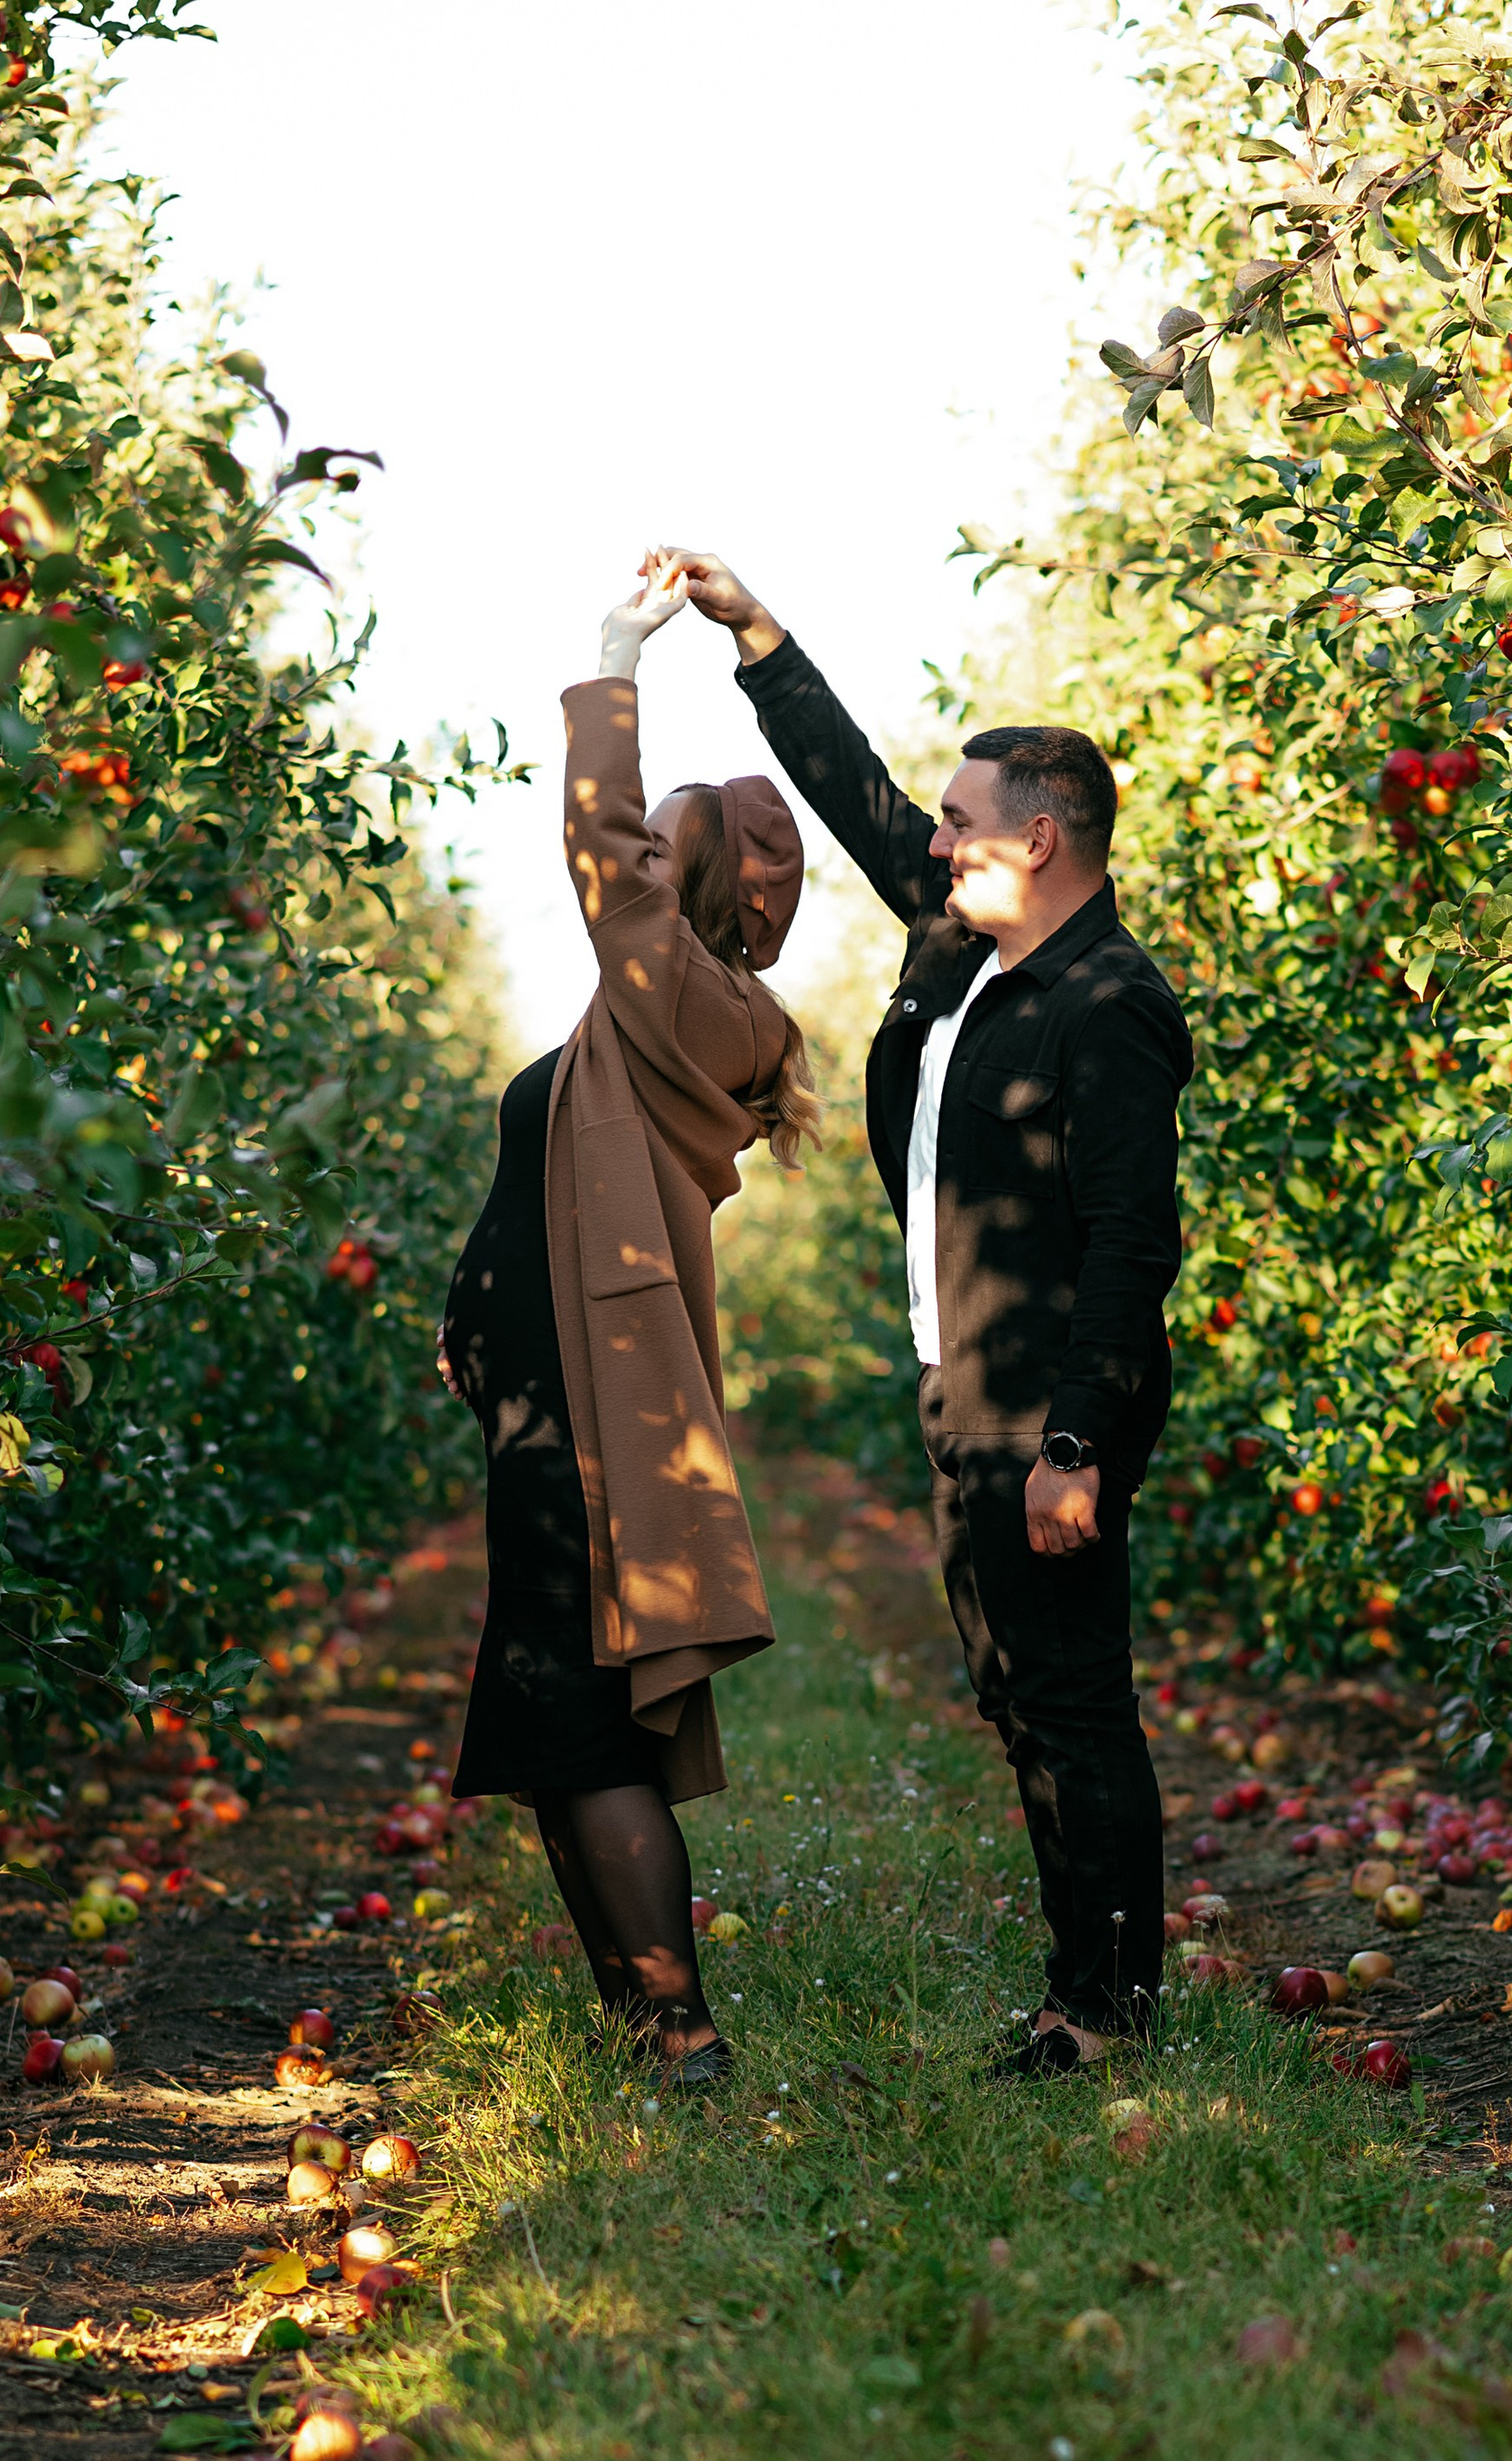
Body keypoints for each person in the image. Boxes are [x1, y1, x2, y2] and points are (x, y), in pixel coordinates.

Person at [663, 548, 1191, 2076]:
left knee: (1072, 1702)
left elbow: (1133, 1243)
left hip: (1049, 1402)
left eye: (963, 821)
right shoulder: (965, 943)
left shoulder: (1109, 1006)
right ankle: (1080, 1982)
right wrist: (759, 637)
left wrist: (1076, 1443)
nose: (937, 839)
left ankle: (1107, 2009)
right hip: (964, 1387)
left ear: (1041, 839)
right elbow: (856, 796)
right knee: (1017, 1698)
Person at [439, 567, 818, 2090]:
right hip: (548, 1398)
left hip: (587, 1416)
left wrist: (616, 660)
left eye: (664, 849)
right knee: (560, 1720)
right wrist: (474, 1314)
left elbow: (601, 846)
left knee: (588, 1724)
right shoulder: (650, 1016)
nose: (638, 860)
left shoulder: (684, 999)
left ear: (695, 887)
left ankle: (684, 2030)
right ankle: (635, 2019)